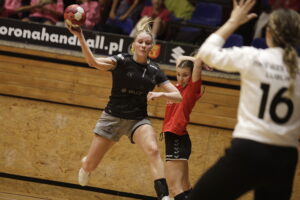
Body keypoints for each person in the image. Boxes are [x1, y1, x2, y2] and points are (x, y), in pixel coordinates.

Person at [190, 0, 300, 199]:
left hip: (250, 149)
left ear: (268, 33)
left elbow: (206, 53)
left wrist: (233, 22)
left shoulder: (253, 57)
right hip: (286, 157)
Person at [66, 17, 182, 200]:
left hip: (138, 120)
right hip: (113, 117)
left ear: (151, 47)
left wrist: (160, 94)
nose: (144, 45)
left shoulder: (155, 70)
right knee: (90, 165)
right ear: (134, 44)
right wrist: (81, 37)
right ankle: (85, 165)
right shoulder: (121, 61)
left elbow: (178, 96)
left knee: (153, 150)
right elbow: (93, 62)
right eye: (140, 42)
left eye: (147, 43)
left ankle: (164, 196)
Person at [162, 56, 207, 200]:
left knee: (175, 189)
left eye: (186, 75)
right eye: (178, 74)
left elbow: (198, 61)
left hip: (177, 137)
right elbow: (181, 58)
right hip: (176, 138)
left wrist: (201, 64)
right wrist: (191, 60)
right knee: (185, 187)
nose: (181, 78)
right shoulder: (176, 88)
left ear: (192, 75)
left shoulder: (192, 89)